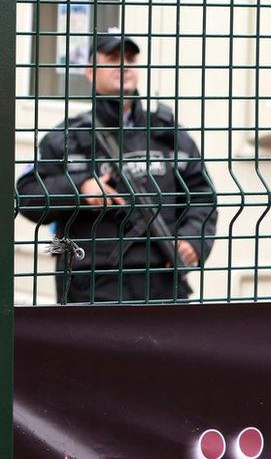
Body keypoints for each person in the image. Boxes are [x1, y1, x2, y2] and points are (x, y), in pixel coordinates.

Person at [16, 28, 218, 302]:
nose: (123, 67)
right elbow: (26, 196)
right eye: (112, 59)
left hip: (160, 282)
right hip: (90, 286)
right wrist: (80, 189)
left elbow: (203, 196)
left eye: (130, 60)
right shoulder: (66, 137)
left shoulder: (169, 134)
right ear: (90, 71)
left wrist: (193, 241)